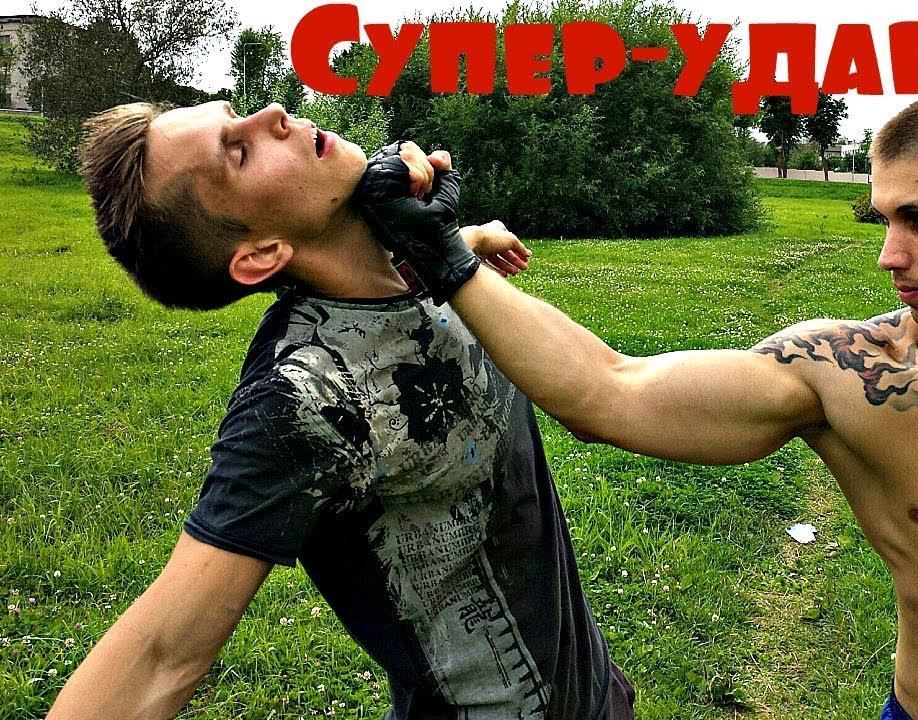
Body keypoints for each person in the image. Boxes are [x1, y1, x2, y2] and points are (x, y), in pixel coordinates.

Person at [355, 80, 918, 720]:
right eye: (884, 219)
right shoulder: (850, 370)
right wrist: (445, 258)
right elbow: (609, 390)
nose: (888, 255)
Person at [48, 100, 635, 720]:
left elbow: (394, 303)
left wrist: (462, 240)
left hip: (594, 690)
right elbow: (158, 659)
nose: (275, 112)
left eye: (241, 113)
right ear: (260, 254)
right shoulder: (303, 399)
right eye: (239, 153)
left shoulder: (417, 269)